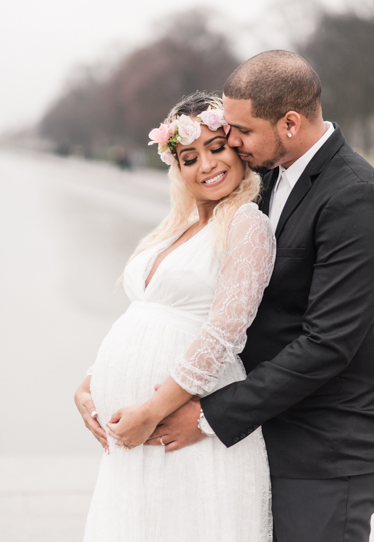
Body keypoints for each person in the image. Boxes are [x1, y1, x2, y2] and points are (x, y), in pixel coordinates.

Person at [145, 50, 374, 542]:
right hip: (270, 435)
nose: (231, 141)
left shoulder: (357, 196)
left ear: (291, 123)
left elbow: (327, 343)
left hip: (327, 451)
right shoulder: (270, 179)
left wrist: (209, 415)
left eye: (241, 130)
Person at [75, 92, 275, 541]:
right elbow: (143, 316)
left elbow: (224, 331)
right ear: (177, 168)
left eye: (216, 148)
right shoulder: (177, 228)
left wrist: (150, 410)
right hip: (135, 442)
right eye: (189, 157)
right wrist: (90, 385)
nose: (205, 165)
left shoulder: (247, 223)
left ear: (238, 150)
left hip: (180, 430)